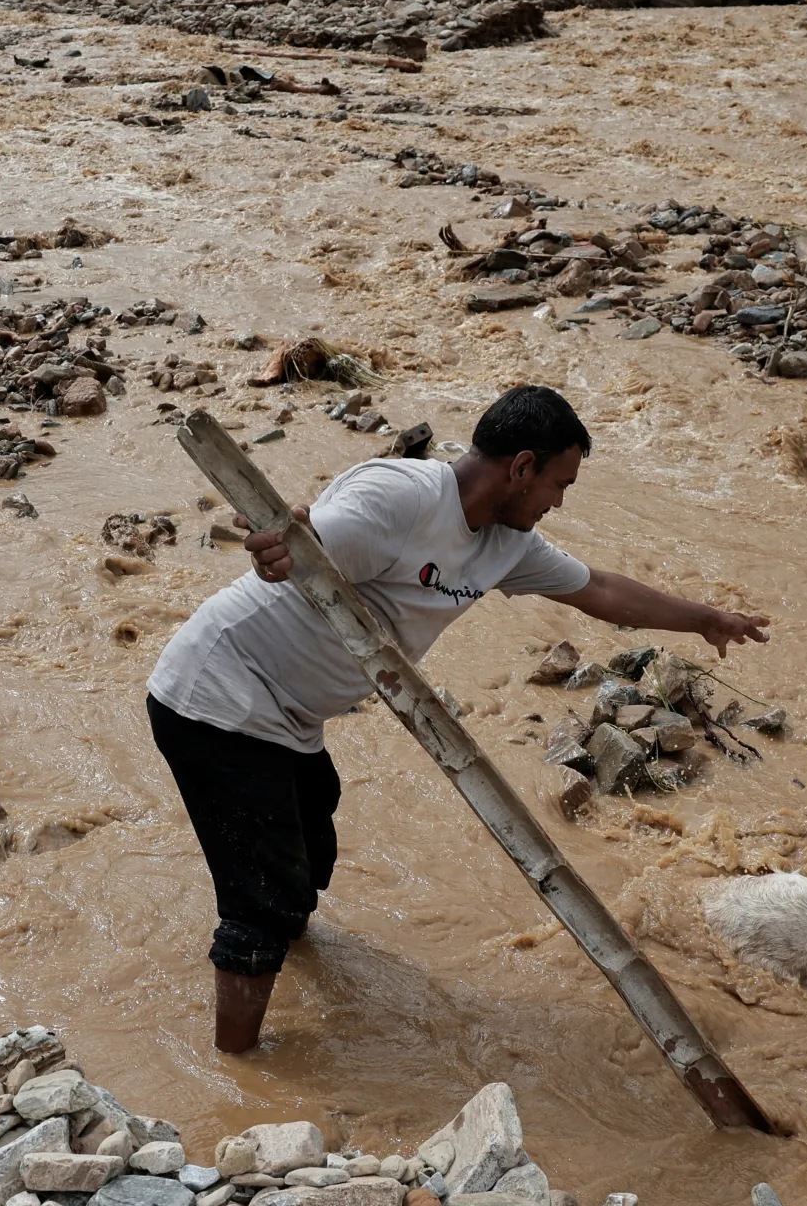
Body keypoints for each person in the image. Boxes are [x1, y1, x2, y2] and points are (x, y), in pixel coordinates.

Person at [145, 384, 769, 1052]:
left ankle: (277, 956)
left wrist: (710, 619)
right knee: (262, 898)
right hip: (218, 696)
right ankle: (241, 1072)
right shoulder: (403, 497)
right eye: (560, 483)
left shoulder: (508, 544)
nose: (559, 501)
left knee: (309, 851)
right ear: (522, 467)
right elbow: (302, 541)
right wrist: (281, 543)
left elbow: (603, 591)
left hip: (292, 717)